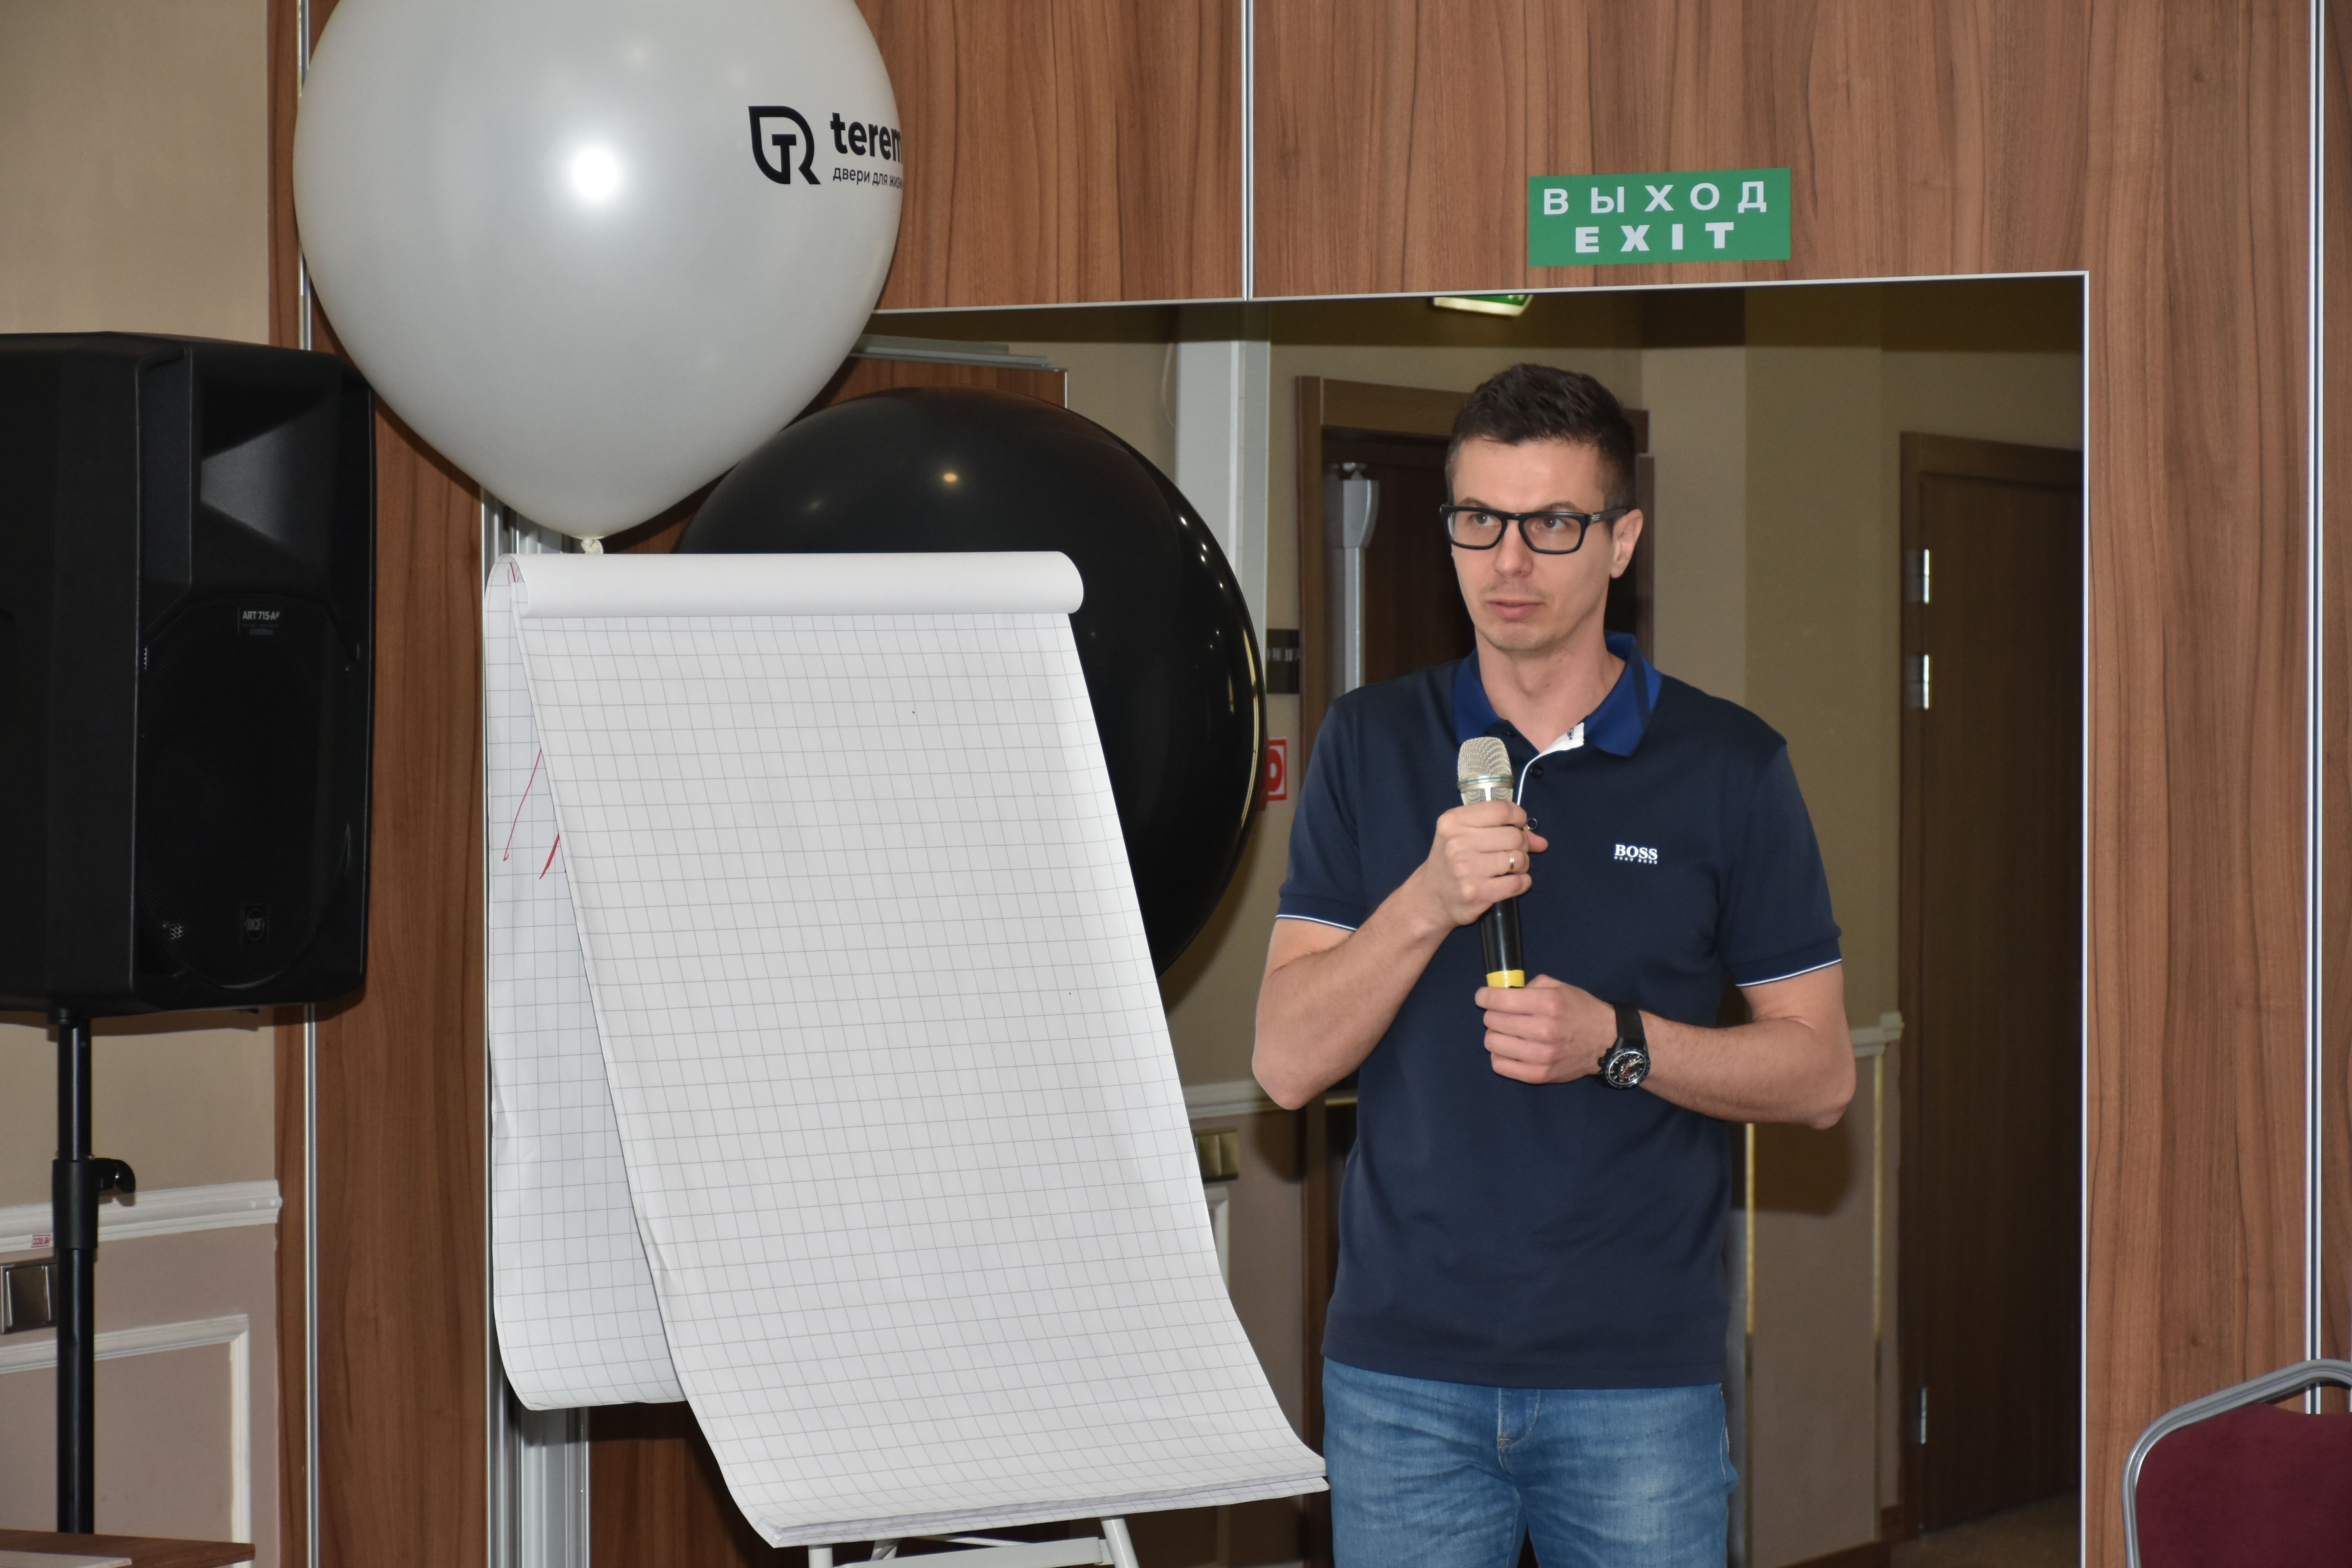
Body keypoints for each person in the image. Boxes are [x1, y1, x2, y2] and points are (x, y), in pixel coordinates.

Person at [1255, 363, 1853, 1567]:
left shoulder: (1729, 767)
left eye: (1553, 525)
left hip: (1635, 1382)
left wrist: (1617, 1044)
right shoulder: (1370, 742)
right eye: (1479, 520)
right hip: (1399, 1380)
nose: (1510, 561)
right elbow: (1282, 1064)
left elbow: (1821, 1075)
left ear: (1622, 539)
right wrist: (1426, 902)